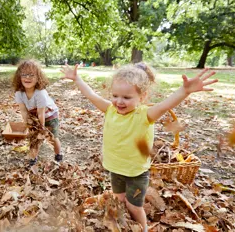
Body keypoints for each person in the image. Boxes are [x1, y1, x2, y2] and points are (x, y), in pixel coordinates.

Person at [60, 63, 218, 231]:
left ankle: (142, 228)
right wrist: (77, 79)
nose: (119, 101)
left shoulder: (144, 115)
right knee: (119, 199)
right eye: (115, 95)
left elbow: (165, 105)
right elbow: (91, 96)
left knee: (134, 206)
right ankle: (123, 224)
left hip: (136, 172)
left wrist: (184, 91)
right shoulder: (110, 110)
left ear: (142, 97)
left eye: (127, 98)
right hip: (116, 169)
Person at [12, 59, 63, 167]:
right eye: (24, 74)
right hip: (35, 115)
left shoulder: (40, 93)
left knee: (52, 138)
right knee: (33, 139)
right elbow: (23, 110)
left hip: (49, 115)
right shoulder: (19, 93)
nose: (27, 78)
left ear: (38, 78)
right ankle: (33, 158)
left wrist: (41, 130)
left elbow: (41, 113)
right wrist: (28, 125)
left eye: (31, 75)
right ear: (19, 77)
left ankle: (58, 155)